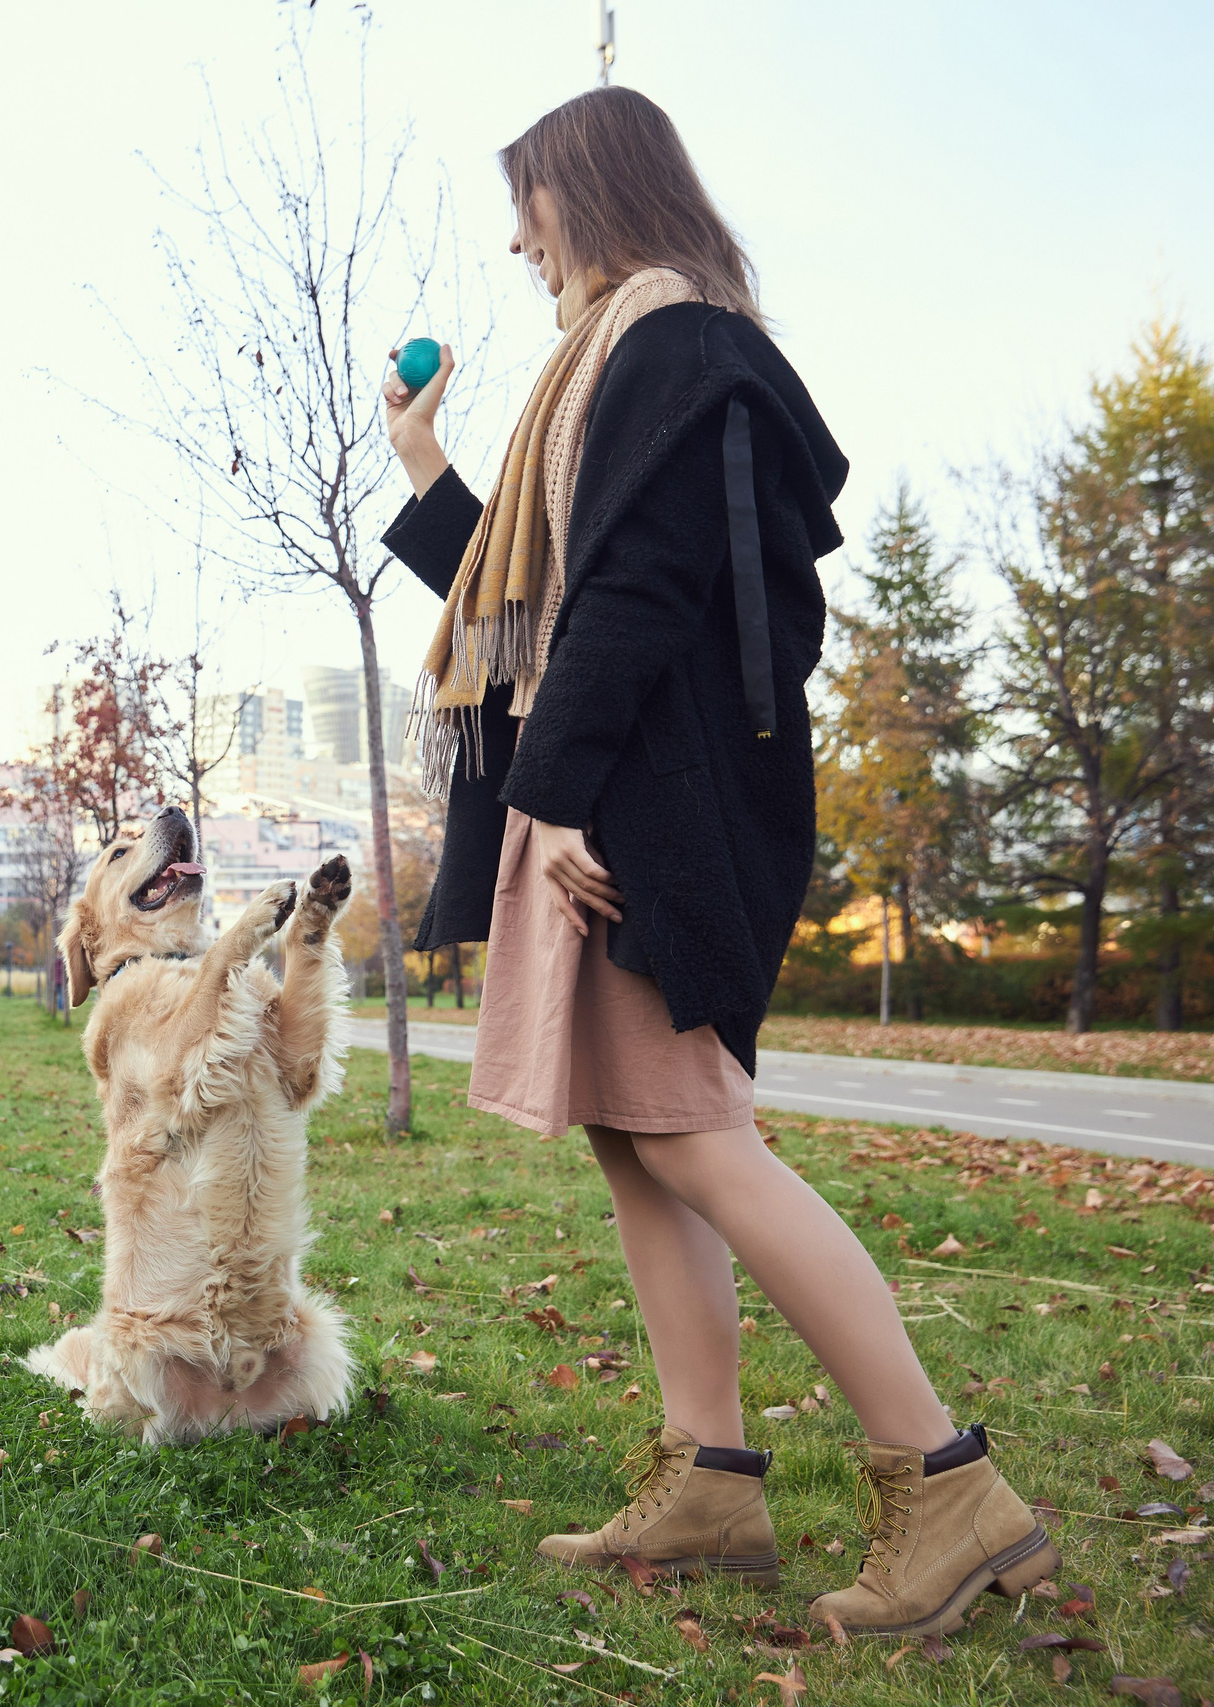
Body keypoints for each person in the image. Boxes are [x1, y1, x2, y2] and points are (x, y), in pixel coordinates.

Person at [376, 86, 1054, 1640]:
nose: (513, 237)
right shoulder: (629, 355)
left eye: (528, 201)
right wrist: (424, 463)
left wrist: (557, 808)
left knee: (692, 1136)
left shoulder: (675, 346)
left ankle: (949, 1485)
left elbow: (641, 592)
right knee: (637, 1133)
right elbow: (558, 585)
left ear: (590, 191)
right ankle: (712, 1482)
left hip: (637, 813)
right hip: (617, 789)